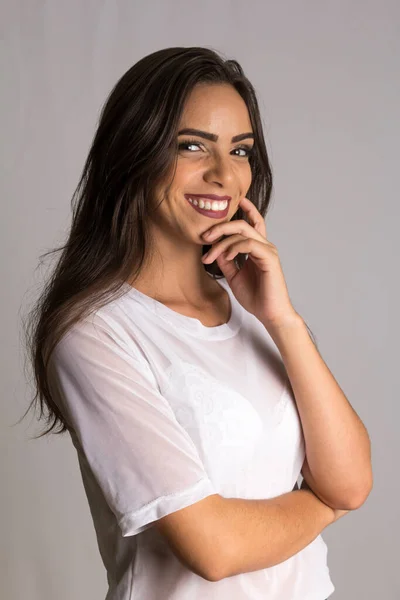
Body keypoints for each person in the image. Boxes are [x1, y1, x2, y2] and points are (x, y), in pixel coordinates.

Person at [21, 46, 372, 600]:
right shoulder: (95, 333)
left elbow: (352, 476)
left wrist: (282, 318)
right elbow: (213, 547)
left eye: (240, 150)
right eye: (191, 146)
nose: (224, 174)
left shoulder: (255, 309)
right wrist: (324, 504)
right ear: (132, 153)